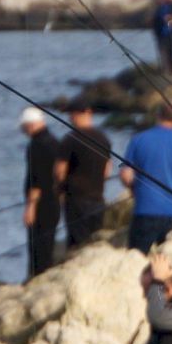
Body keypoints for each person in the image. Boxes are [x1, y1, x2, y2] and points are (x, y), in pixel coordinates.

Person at [121, 103, 172, 252]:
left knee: (137, 257)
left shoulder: (139, 139)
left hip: (145, 210)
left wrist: (133, 187)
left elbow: (126, 175)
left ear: (157, 116)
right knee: (165, 259)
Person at [18, 107, 65, 279]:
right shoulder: (55, 142)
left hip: (40, 203)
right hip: (54, 200)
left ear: (29, 125)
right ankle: (44, 275)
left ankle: (37, 278)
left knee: (37, 245)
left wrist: (30, 207)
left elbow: (36, 178)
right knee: (48, 241)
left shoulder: (36, 146)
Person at [60, 100, 112, 249]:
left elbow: (59, 171)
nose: (70, 118)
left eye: (71, 114)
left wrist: (59, 189)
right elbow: (107, 170)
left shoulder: (70, 139)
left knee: (77, 241)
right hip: (98, 197)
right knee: (95, 238)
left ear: (77, 115)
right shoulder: (103, 139)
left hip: (76, 199)